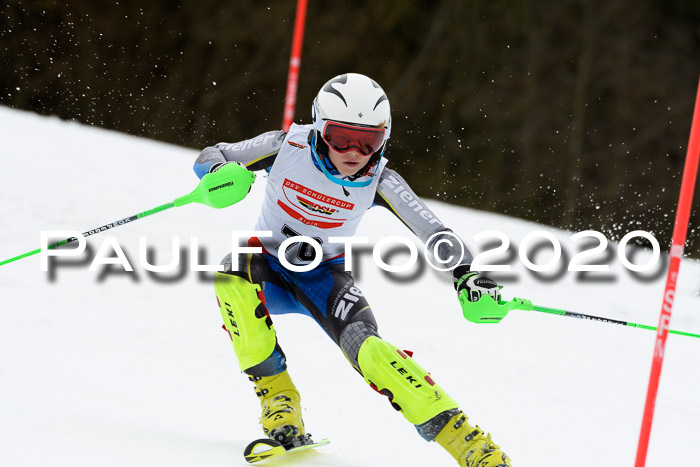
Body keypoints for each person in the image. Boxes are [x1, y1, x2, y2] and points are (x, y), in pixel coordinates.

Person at [193, 73, 512, 467]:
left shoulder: (381, 180)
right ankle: (279, 401)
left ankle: (471, 446)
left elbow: (433, 231)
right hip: (268, 267)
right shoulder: (283, 147)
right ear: (318, 126)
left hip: (324, 278)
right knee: (230, 273)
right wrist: (218, 177)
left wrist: (467, 272)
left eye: (369, 141)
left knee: (374, 352)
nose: (354, 151)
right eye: (340, 136)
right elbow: (212, 155)